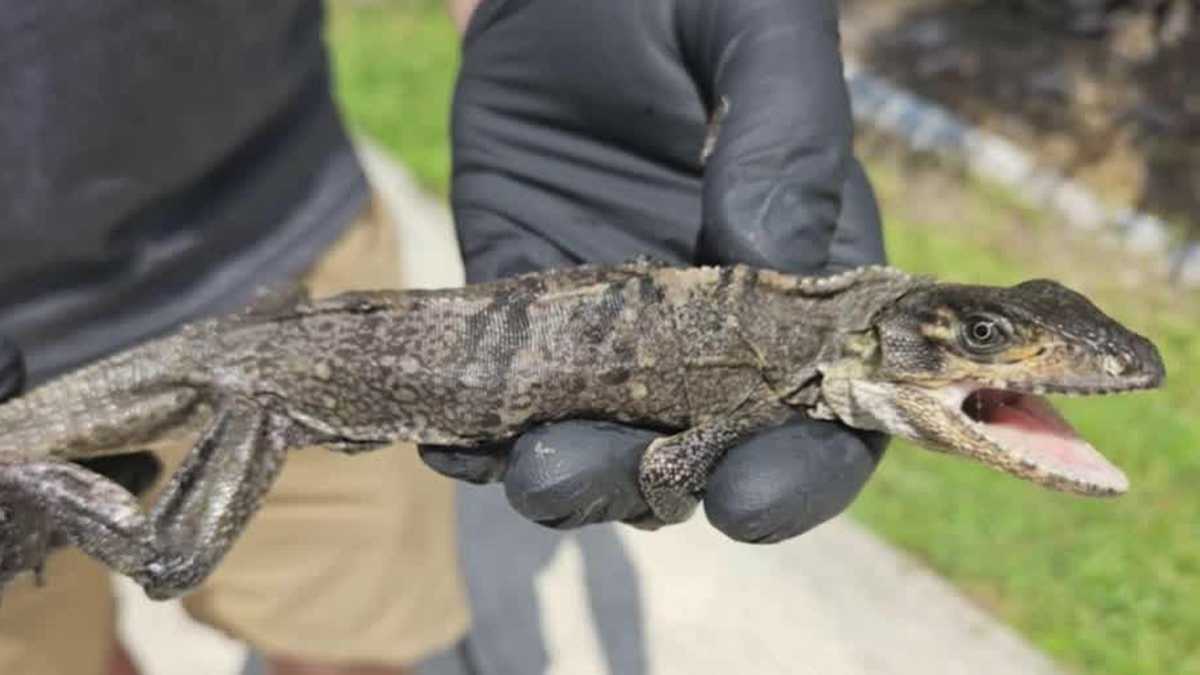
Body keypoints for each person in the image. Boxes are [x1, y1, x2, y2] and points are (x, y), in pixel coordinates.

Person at [0, 1, 887, 673]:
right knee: (124, 591)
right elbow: (662, 469)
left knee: (364, 640)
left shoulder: (789, 338)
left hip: (275, 251)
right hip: (255, 357)